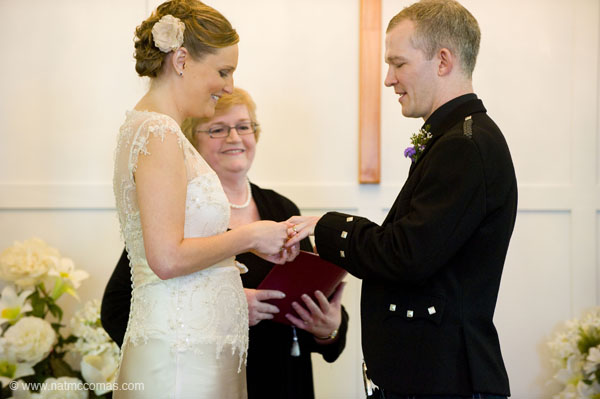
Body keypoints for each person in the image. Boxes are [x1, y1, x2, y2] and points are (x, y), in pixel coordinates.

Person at [286, 1, 516, 398]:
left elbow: (407, 255)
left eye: (399, 63)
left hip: (447, 383)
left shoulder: (465, 145)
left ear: (442, 60)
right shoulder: (456, 137)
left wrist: (325, 227)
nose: (389, 79)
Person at [104, 87, 349, 398]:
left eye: (244, 126)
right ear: (192, 140)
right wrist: (222, 307)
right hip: (210, 380)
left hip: (285, 379)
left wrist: (330, 328)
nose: (234, 138)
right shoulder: (182, 213)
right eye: (218, 129)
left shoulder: (281, 208)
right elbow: (117, 307)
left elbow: (308, 291)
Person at [111, 1, 299, 398]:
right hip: (180, 359)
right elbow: (167, 258)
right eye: (222, 71)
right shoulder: (159, 133)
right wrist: (250, 237)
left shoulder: (155, 129)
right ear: (180, 59)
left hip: (193, 349)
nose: (228, 85)